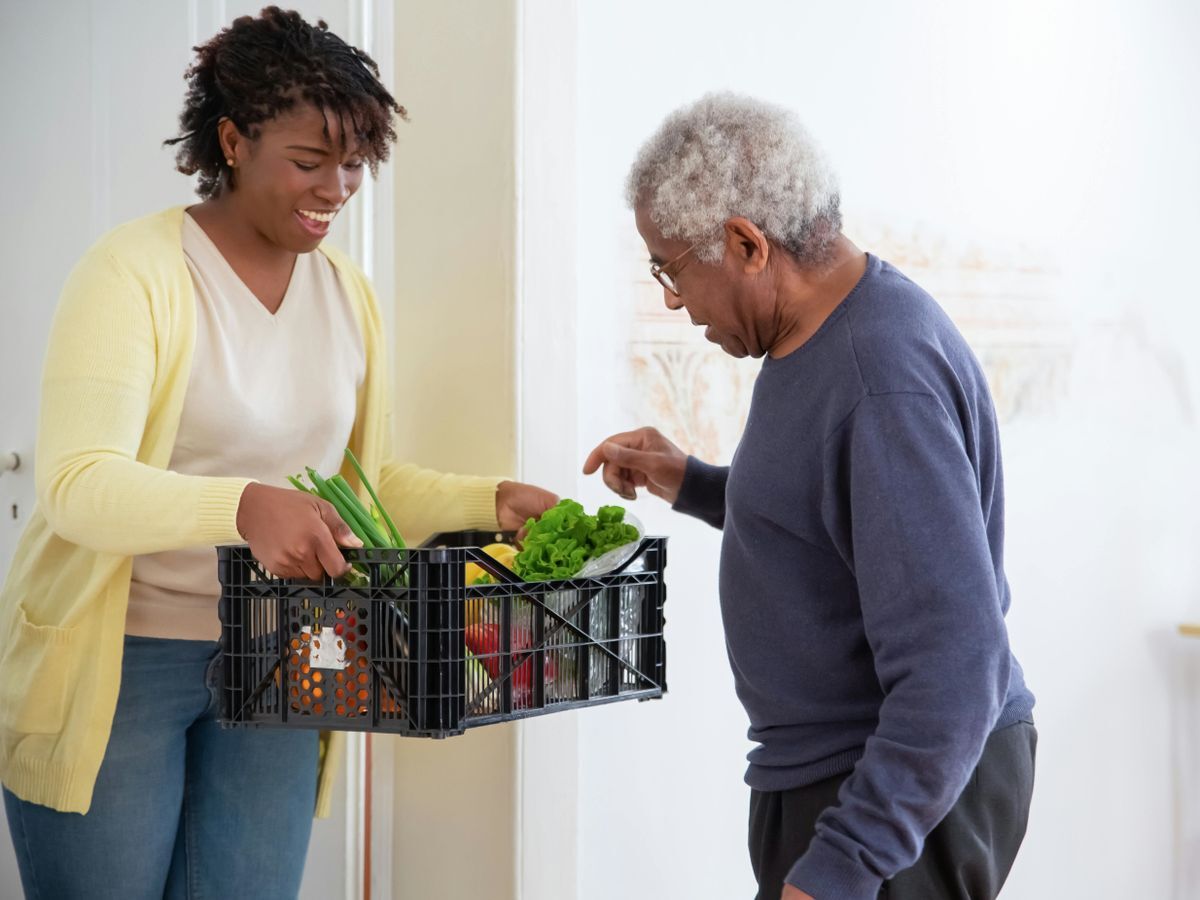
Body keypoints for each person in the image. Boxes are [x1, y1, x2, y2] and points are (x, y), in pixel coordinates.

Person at [0, 8, 557, 898]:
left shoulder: (346, 295)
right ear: (232, 139)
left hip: (285, 646)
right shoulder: (134, 274)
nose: (336, 187)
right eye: (308, 161)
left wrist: (484, 500)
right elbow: (78, 486)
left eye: (354, 164)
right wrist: (243, 505)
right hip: (120, 659)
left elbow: (349, 491)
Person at [584, 93, 1036, 900]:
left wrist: (845, 863)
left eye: (672, 267)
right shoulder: (821, 337)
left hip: (889, 789)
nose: (671, 298)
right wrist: (689, 480)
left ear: (746, 244)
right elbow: (834, 521)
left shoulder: (878, 379)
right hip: (843, 775)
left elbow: (957, 667)